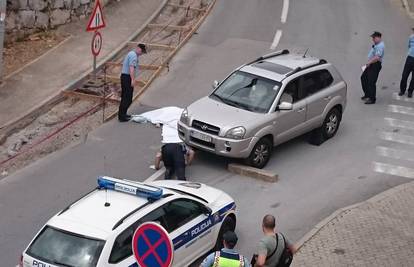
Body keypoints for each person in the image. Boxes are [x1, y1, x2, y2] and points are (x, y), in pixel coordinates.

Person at [118, 43, 147, 122]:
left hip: (125, 76)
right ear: (138, 48)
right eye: (142, 51)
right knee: (128, 98)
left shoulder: (131, 54)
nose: (141, 53)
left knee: (125, 97)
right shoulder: (134, 55)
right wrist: (132, 79)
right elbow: (131, 68)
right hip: (127, 77)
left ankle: (123, 114)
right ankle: (122, 116)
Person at [360, 31, 385, 104]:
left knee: (371, 82)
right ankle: (367, 94)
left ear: (379, 37)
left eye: (374, 37)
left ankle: (372, 98)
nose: (373, 39)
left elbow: (377, 58)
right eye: (372, 37)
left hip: (375, 65)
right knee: (363, 78)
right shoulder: (376, 44)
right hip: (371, 64)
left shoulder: (380, 46)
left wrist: (369, 62)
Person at [399, 28, 414, 98]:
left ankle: (410, 91)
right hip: (410, 58)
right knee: (404, 75)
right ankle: (402, 90)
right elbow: (409, 46)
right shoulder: (411, 37)